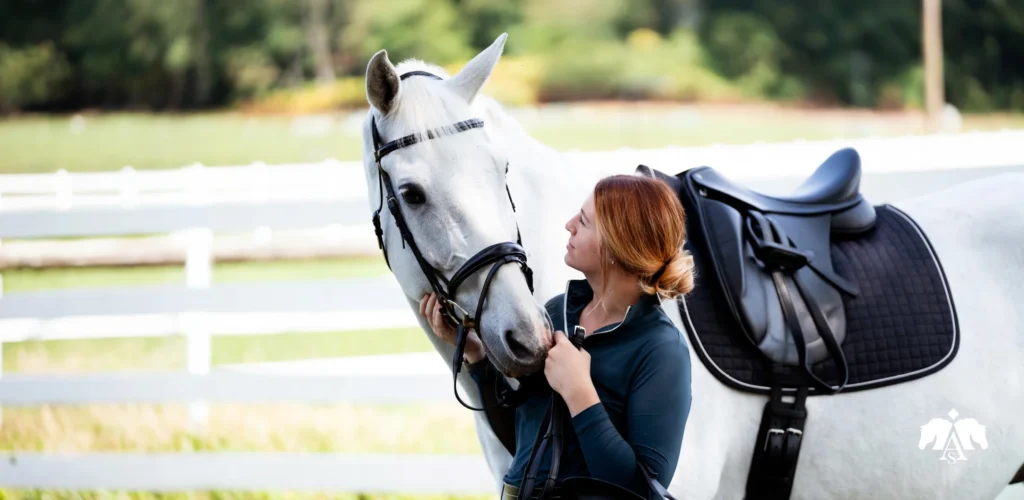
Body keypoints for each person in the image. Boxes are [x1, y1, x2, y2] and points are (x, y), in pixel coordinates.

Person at [419, 174, 694, 499]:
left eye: (584, 221)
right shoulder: (556, 312)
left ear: (618, 244)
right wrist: (477, 356)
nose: (569, 225)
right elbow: (521, 440)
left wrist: (580, 393)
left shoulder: (662, 350)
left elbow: (641, 491)